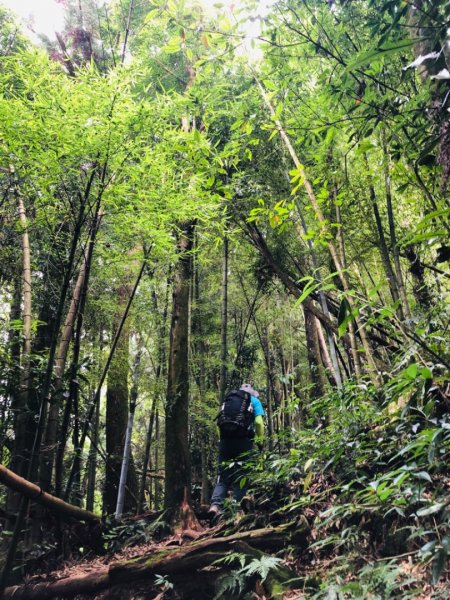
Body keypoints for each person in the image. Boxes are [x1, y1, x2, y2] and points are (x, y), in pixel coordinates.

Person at [208, 383, 265, 521]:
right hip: (243, 441)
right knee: (241, 477)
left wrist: (223, 441)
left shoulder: (228, 401)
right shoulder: (254, 401)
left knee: (223, 477)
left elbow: (219, 423)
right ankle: (236, 510)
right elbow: (258, 423)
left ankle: (215, 505)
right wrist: (260, 440)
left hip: (225, 441)